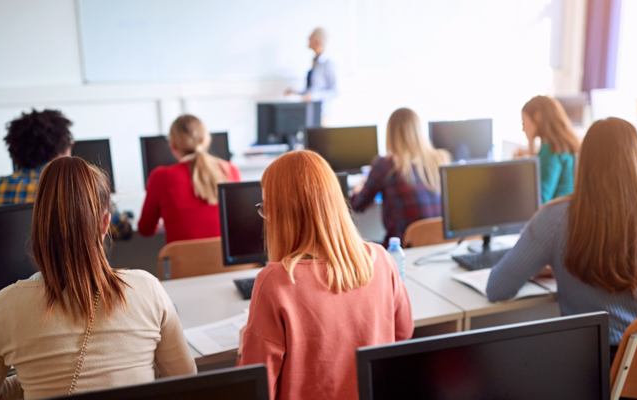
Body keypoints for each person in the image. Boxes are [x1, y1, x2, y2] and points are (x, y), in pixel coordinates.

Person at [0, 157, 196, 400]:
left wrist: (35, 378)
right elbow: (187, 382)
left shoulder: (4, 308)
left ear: (38, 226)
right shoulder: (148, 289)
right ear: (106, 224)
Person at [237, 150, 414, 400]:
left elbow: (256, 386)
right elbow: (403, 333)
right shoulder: (382, 258)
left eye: (266, 207)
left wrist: (245, 342)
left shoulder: (275, 282)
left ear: (281, 213)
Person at [487, 117, 637, 350]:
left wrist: (544, 262)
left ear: (584, 160)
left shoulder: (554, 218)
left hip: (599, 361)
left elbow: (497, 289)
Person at [0, 108, 131, 240]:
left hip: (12, 273)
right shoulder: (84, 184)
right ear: (62, 150)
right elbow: (121, 230)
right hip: (72, 272)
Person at [351, 108, 451, 247]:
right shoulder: (441, 159)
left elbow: (357, 205)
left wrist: (359, 187)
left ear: (390, 133)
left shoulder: (385, 164)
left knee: (357, 246)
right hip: (440, 244)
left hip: (403, 247)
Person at [138, 115, 241, 243]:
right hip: (230, 262)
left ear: (172, 145)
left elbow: (145, 229)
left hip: (185, 262)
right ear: (207, 140)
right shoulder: (230, 170)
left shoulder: (160, 177)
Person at [515, 96, 581, 204]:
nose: (523, 128)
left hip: (554, 217)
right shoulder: (564, 144)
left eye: (524, 121)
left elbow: (539, 200)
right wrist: (531, 144)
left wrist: (518, 169)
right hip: (565, 213)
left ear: (537, 116)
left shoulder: (551, 149)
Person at [285, 27, 337, 118]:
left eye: (311, 37)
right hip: (310, 112)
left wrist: (313, 96)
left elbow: (335, 91)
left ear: (318, 41)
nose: (308, 39)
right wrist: (296, 92)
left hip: (322, 114)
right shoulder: (314, 62)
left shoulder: (328, 64)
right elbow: (313, 90)